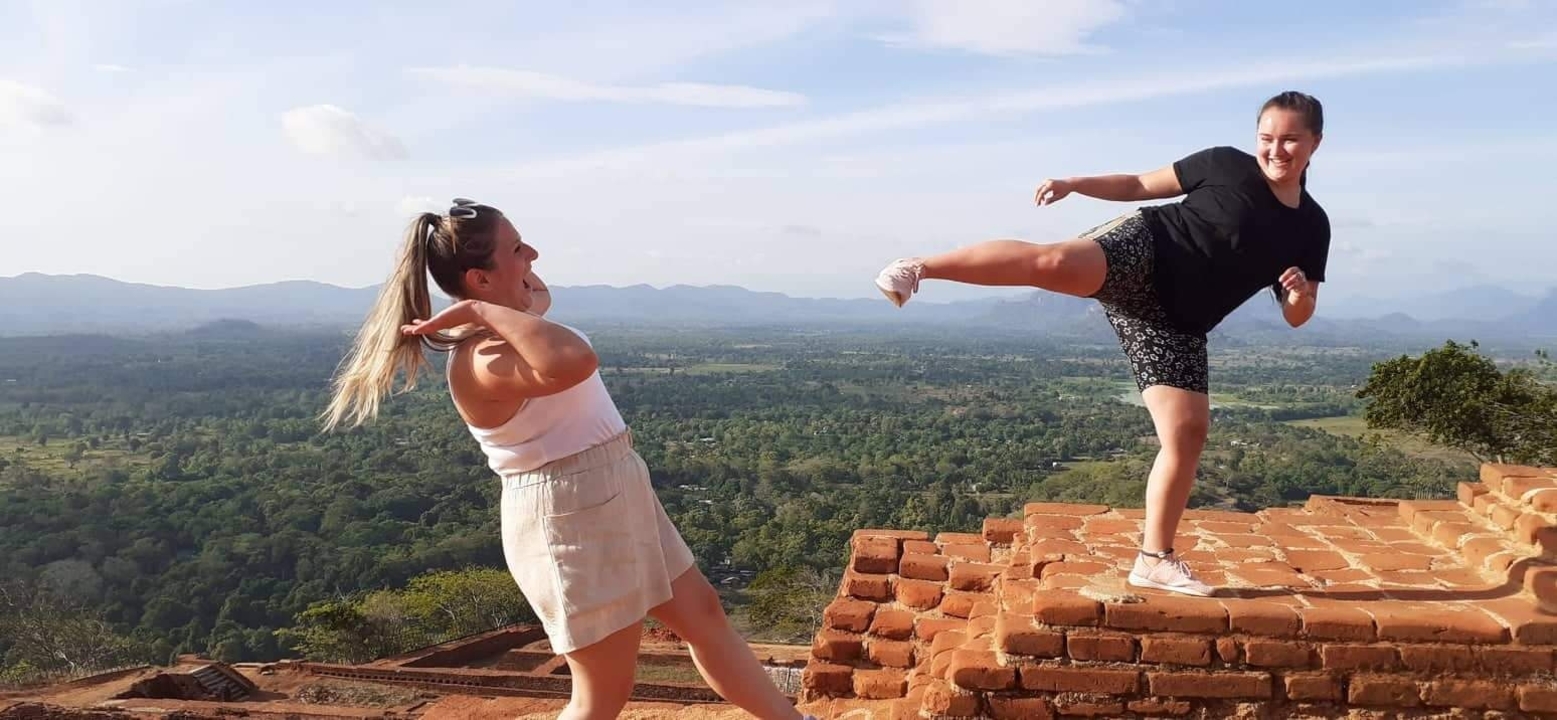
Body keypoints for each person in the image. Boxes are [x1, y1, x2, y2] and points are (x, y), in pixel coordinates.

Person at [321, 199, 811, 720]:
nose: (533, 254)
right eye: (516, 248)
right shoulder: (487, 358)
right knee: (602, 691)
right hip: (567, 509)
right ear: (478, 281)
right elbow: (576, 360)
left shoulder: (515, 324)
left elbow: (539, 295)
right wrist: (482, 309)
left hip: (614, 484)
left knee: (704, 615)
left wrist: (496, 294)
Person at [873, 91, 1331, 598]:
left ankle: (1154, 559)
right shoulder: (1225, 164)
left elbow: (1297, 317)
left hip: (1174, 322)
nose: (1276, 149)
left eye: (1290, 139)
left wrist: (1298, 295)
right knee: (1051, 264)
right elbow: (1139, 184)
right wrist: (1075, 184)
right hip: (1145, 250)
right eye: (1267, 138)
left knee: (1187, 434)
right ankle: (919, 267)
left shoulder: (1311, 226)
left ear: (1315, 142)